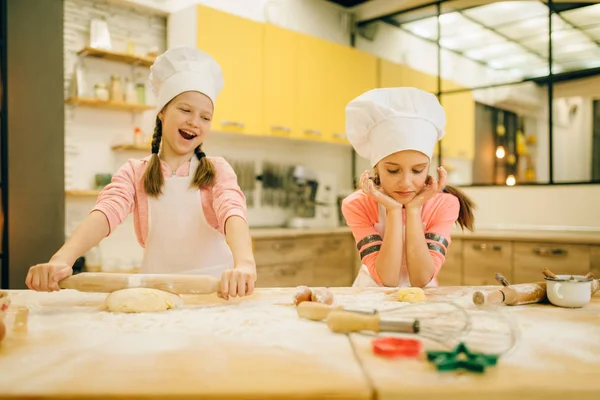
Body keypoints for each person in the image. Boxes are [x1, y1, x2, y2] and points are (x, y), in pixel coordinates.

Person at [26, 46, 256, 299]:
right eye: (185, 110)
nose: (194, 122)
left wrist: (244, 263)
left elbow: (232, 211)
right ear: (162, 112)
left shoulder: (217, 170)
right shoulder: (136, 173)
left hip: (215, 292)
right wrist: (62, 259)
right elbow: (106, 212)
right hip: (155, 293)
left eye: (205, 117)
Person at [341, 87, 475, 288]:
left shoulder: (444, 204)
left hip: (424, 301)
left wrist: (413, 210)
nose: (405, 182)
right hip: (369, 298)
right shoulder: (357, 204)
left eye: (418, 170)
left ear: (428, 167)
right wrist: (394, 209)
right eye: (393, 171)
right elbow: (387, 279)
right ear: (376, 168)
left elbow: (421, 279)